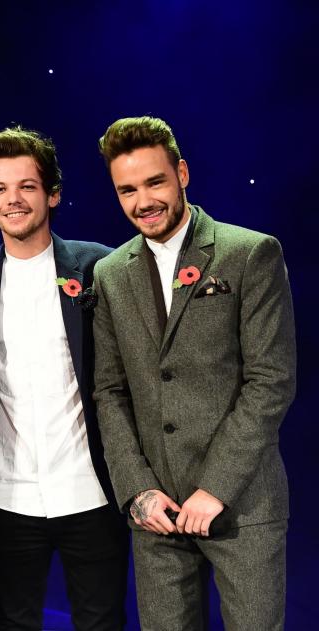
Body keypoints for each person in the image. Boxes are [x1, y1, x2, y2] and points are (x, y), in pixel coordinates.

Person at [92, 116, 296, 630]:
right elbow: (109, 391)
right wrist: (138, 491)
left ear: (181, 173)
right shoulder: (110, 273)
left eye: (155, 182)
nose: (143, 201)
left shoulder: (249, 253)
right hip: (156, 514)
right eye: (127, 190)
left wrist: (216, 487)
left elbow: (271, 380)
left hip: (243, 505)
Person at [0, 126, 128, 630]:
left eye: (27, 186)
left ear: (53, 193)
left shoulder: (99, 266)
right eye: (0, 189)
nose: (13, 200)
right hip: (8, 497)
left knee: (102, 623)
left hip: (91, 492)